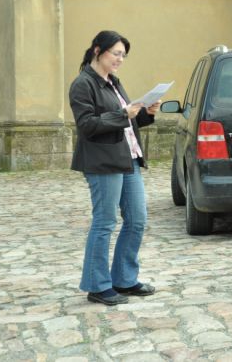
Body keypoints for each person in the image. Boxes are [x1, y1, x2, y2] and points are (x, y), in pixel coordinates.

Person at [69, 30, 160, 306]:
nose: (120, 59)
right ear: (98, 50)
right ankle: (97, 285)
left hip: (128, 159)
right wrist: (123, 114)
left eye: (123, 55)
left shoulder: (113, 82)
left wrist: (145, 115)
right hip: (102, 162)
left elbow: (125, 122)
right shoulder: (83, 84)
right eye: (116, 53)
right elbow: (87, 125)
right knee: (105, 222)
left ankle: (124, 279)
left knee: (137, 220)